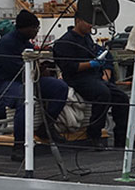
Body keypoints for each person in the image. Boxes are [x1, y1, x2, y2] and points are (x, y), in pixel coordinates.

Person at [0, 10, 68, 161]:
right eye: (35, 28)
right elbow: (15, 70)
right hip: (4, 82)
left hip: (28, 80)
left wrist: (41, 68)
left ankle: (46, 126)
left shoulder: (26, 43)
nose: (36, 31)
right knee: (23, 97)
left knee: (60, 88)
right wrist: (37, 69)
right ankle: (19, 144)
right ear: (25, 28)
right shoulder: (7, 43)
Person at [53, 10, 128, 148]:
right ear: (78, 21)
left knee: (122, 98)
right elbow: (69, 67)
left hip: (94, 76)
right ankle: (94, 134)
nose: (91, 26)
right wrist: (91, 63)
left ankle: (121, 138)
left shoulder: (87, 38)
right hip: (77, 79)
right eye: (88, 22)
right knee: (102, 94)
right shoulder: (65, 42)